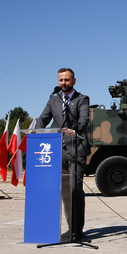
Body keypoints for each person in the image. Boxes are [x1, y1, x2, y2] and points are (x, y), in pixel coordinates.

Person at [36, 68, 91, 240]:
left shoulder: (82, 99)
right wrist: (36, 130)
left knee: (75, 189)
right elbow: (43, 119)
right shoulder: (54, 99)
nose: (63, 83)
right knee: (64, 192)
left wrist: (74, 129)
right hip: (57, 152)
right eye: (61, 80)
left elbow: (83, 120)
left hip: (77, 149)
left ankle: (76, 231)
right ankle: (69, 228)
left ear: (74, 81)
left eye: (67, 80)